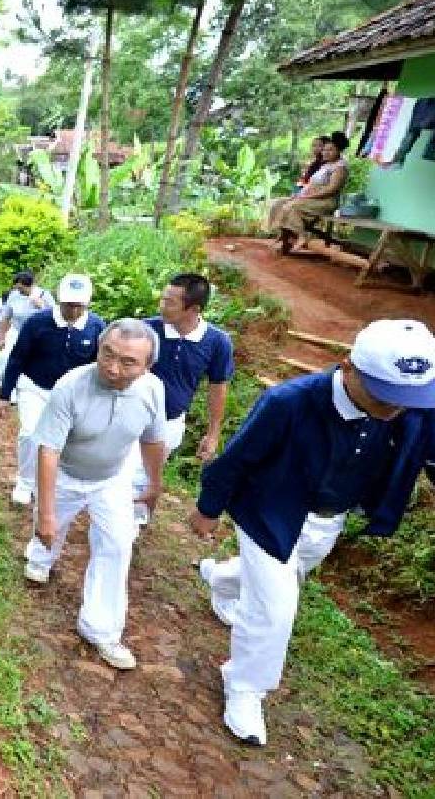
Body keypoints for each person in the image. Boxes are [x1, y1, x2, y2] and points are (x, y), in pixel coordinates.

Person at [190, 319, 435, 747]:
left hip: (328, 518)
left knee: (289, 574)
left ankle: (221, 577)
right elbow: (238, 458)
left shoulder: (412, 406)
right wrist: (208, 508)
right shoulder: (288, 402)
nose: (394, 409)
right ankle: (245, 687)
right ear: (348, 368)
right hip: (270, 511)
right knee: (276, 609)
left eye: (406, 399)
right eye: (385, 396)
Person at [23, 319, 168, 671]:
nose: (113, 368)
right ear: (100, 347)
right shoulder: (71, 385)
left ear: (147, 366)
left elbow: (152, 439)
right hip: (67, 474)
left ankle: (101, 629)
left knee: (118, 545)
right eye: (107, 354)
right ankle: (41, 558)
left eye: (128, 362)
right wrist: (45, 514)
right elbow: (48, 449)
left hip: (113, 478)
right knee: (49, 533)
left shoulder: (152, 390)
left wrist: (153, 483)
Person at [128, 273, 235, 527]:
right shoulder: (146, 330)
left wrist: (213, 433)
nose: (162, 306)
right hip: (131, 412)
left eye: (170, 302)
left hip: (170, 422)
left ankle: (134, 518)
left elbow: (218, 387)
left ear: (194, 308)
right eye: (163, 299)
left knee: (143, 471)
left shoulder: (217, 342)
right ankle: (127, 517)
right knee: (130, 470)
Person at [0, 274, 105, 505]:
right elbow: (17, 358)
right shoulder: (37, 322)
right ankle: (25, 483)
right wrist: (5, 396)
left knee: (59, 442)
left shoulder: (96, 327)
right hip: (34, 386)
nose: (74, 311)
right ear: (59, 299)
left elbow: (98, 366)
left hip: (70, 395)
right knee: (30, 433)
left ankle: (47, 483)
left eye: (79, 306)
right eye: (69, 305)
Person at [266, 132, 350, 254]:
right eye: (325, 150)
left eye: (330, 150)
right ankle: (284, 237)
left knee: (292, 207)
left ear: (338, 151)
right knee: (279, 203)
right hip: (311, 198)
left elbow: (331, 190)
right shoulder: (326, 165)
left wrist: (306, 196)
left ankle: (302, 235)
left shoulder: (340, 167)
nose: (325, 152)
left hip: (326, 201)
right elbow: (310, 185)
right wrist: (299, 195)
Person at [0, 271, 56, 387]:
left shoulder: (44, 295)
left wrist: (42, 305)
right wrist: (2, 337)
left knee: (25, 360)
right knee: (5, 356)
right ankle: (0, 381)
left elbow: (55, 316)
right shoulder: (14, 295)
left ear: (30, 285)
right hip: (15, 331)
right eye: (17, 288)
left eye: (21, 288)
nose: (19, 291)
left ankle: (17, 387)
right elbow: (6, 316)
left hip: (35, 335)